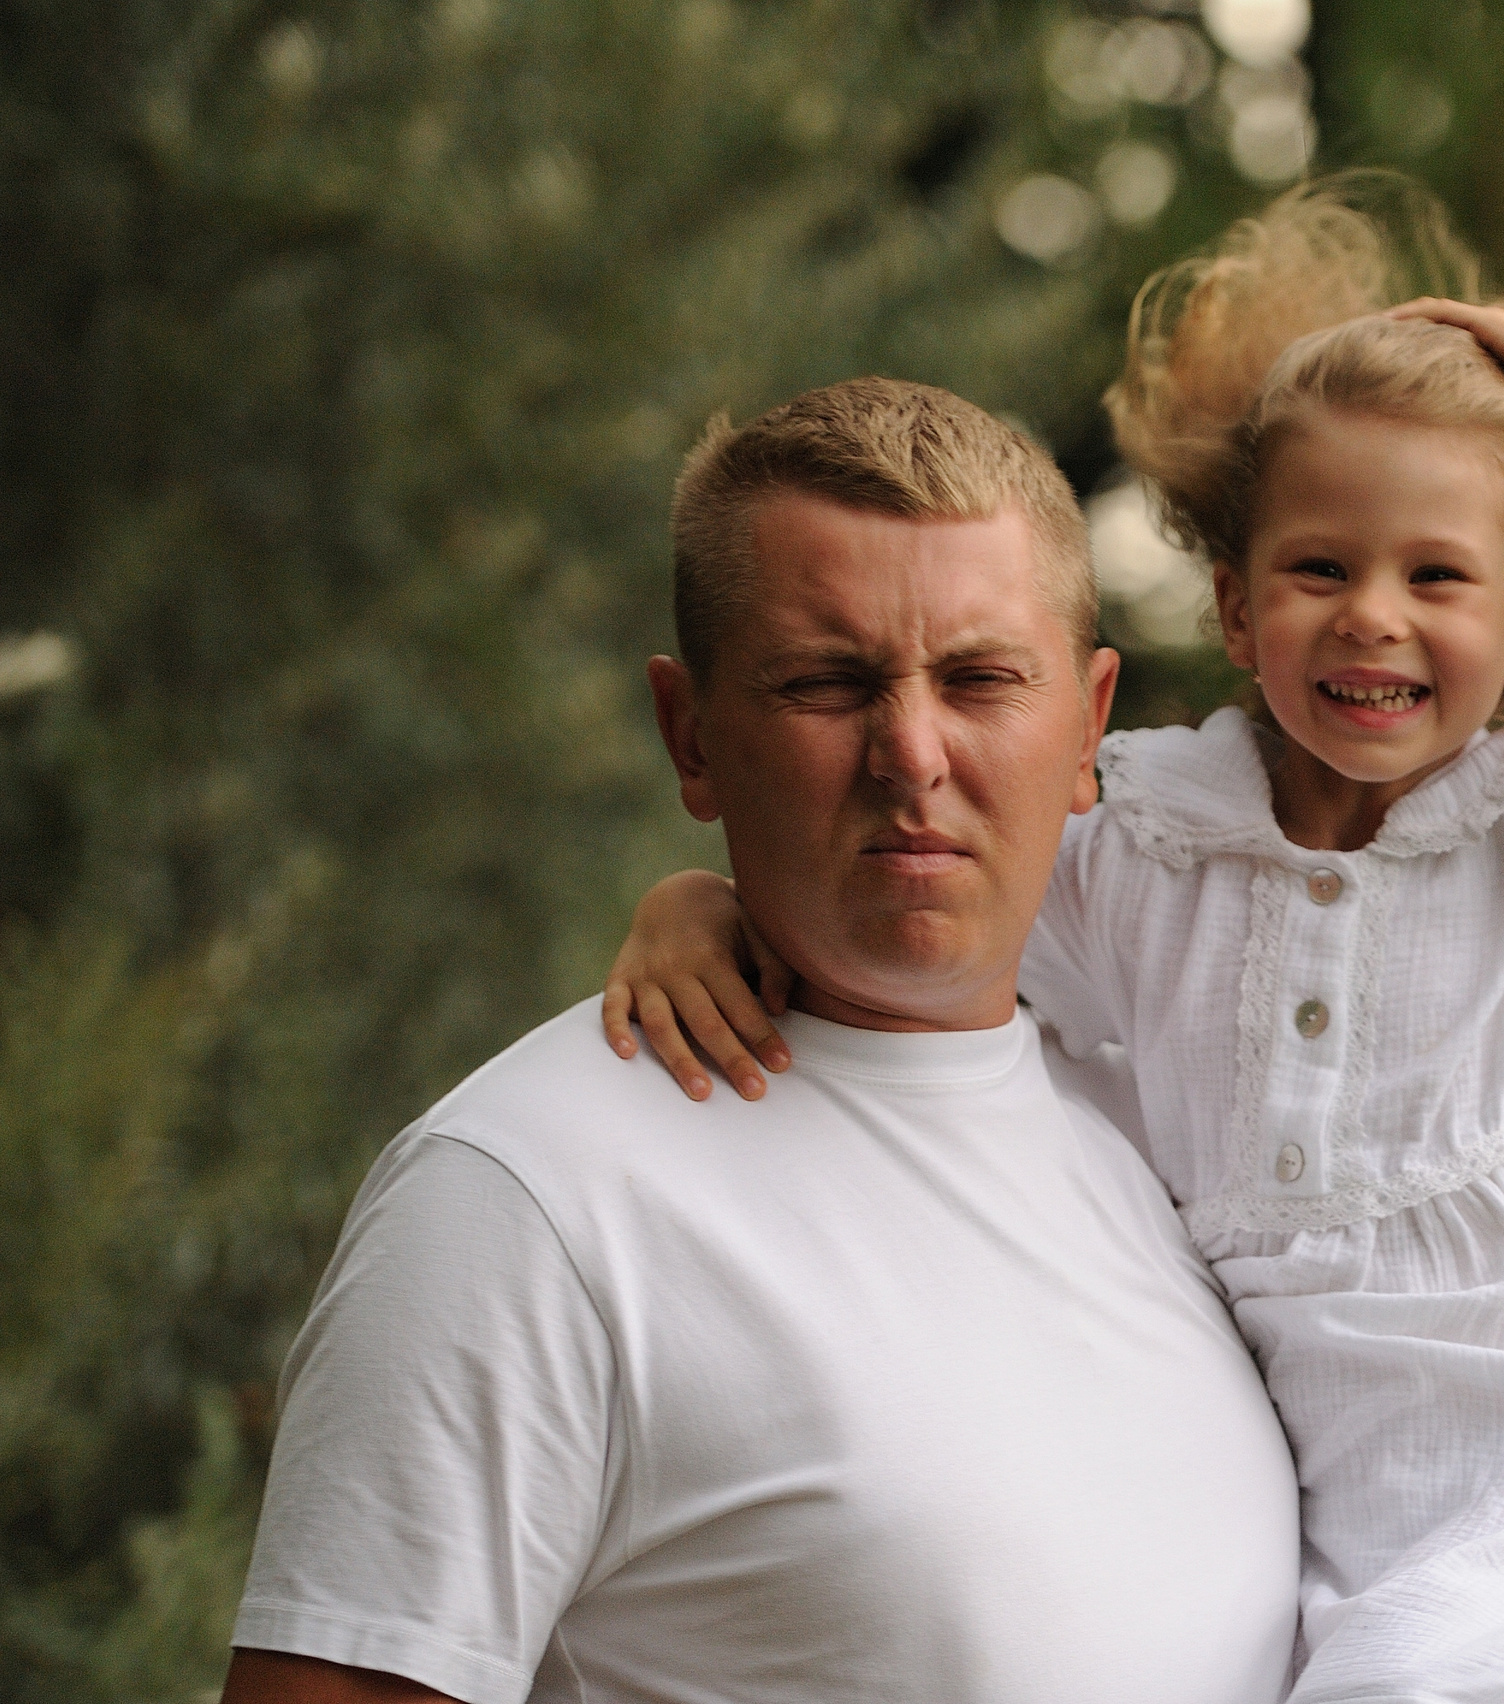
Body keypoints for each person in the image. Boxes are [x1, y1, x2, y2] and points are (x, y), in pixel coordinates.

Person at [607, 173, 1504, 1702]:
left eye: (1437, 577)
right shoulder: (1143, 844)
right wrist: (697, 897)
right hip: (1344, 1537)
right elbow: (916, 893)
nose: (1373, 615)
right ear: (1236, 613)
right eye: (1321, 570)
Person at [220, 378, 1304, 1704]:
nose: (913, 753)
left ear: (1088, 726)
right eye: (826, 684)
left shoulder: (1176, 1137)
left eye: (980, 680)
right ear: (691, 734)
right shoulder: (529, 1199)